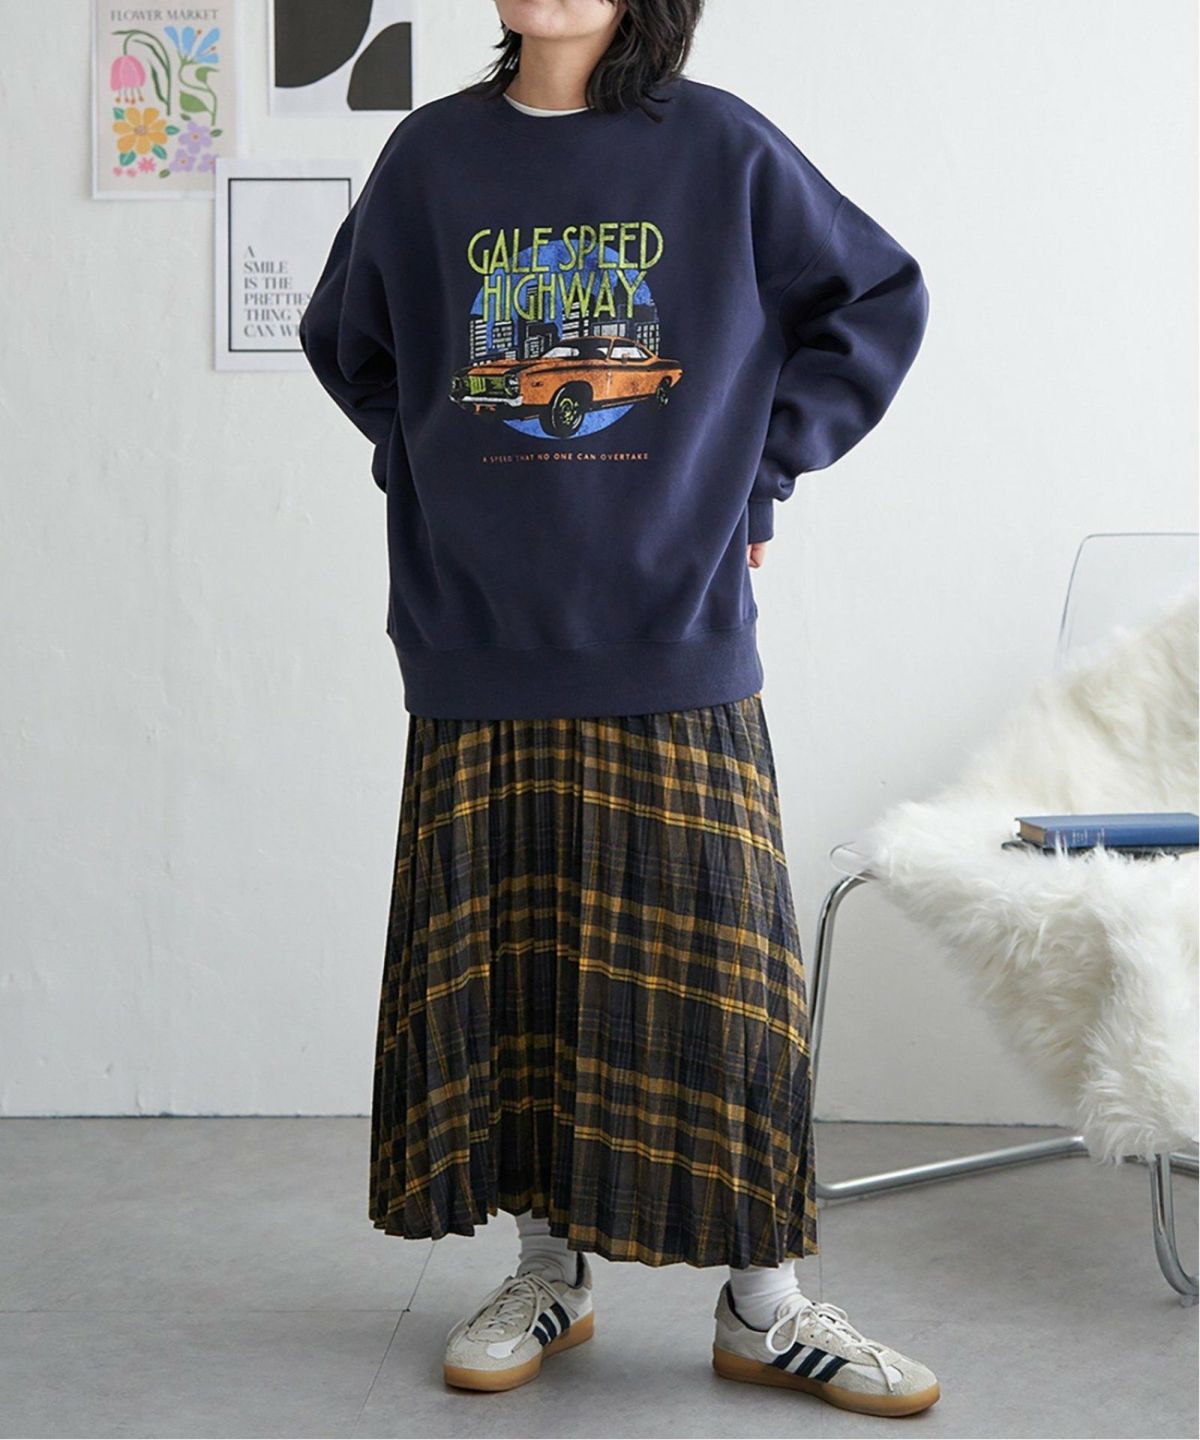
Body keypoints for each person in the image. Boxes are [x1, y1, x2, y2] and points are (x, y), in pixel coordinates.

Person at [298, 0, 935, 1418]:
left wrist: (758, 475)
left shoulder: (720, 150)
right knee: (513, 971)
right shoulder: (431, 158)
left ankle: (767, 1306)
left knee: (731, 985)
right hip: (478, 639)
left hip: (675, 633)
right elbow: (353, 344)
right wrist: (437, 476)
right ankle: (548, 1271)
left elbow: (876, 298)